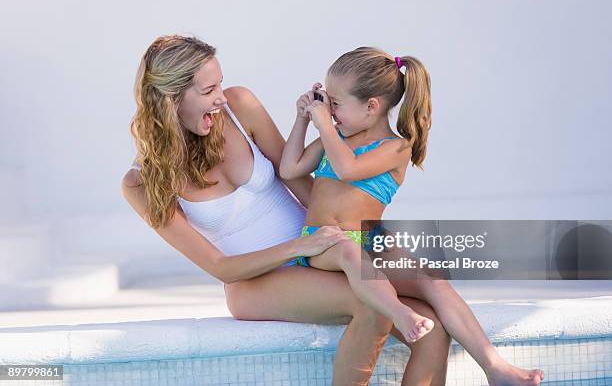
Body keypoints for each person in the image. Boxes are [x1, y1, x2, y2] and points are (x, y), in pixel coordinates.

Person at [122, 34, 451, 386]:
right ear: (170, 100)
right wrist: (300, 247)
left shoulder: (239, 106)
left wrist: (365, 237)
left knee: (432, 323)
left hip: (324, 250)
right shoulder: (142, 183)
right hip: (255, 282)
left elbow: (306, 187)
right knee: (374, 305)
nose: (220, 97)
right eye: (207, 91)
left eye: (219, 83)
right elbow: (221, 267)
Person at [280, 46, 545, 385]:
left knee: (433, 281)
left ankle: (495, 367)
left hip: (369, 239)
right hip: (324, 240)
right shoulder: (333, 138)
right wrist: (304, 120)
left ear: (371, 106)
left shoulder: (396, 147)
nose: (327, 110)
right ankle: (399, 313)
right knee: (348, 250)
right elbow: (289, 169)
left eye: (334, 103)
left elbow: (348, 169)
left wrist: (323, 127)